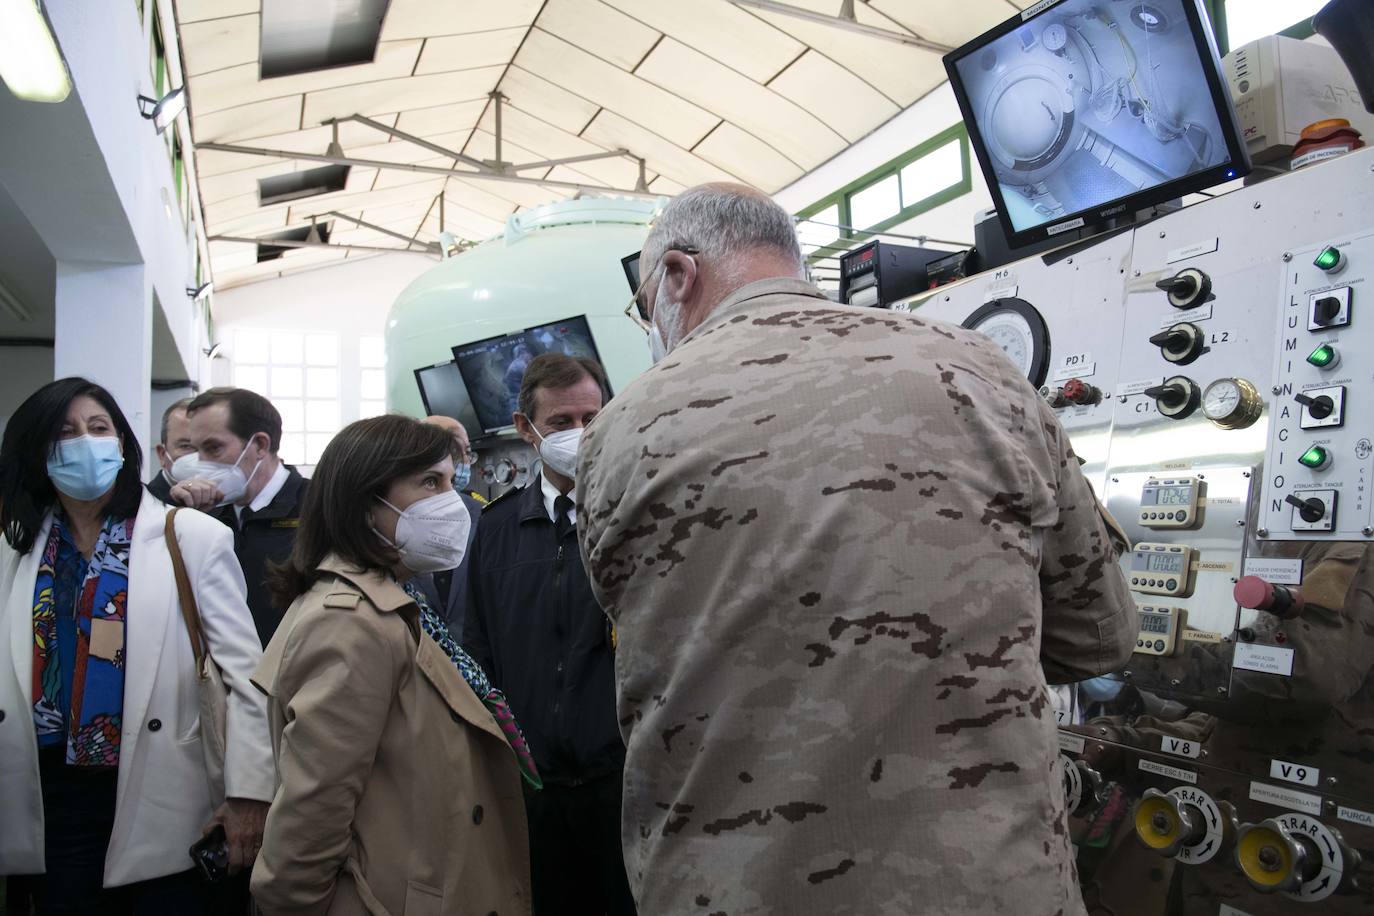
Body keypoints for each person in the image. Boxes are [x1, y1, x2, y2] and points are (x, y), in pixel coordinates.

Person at [575, 183, 1138, 915]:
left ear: (677, 276)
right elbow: (1099, 636)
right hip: (989, 887)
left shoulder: (620, 434)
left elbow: (655, 637)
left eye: (645, 306)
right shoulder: (981, 371)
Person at [0, 378, 274, 913]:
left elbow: (247, 679)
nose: (85, 442)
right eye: (65, 432)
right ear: (36, 452)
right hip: (46, 802)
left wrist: (249, 794)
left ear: (122, 445)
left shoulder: (190, 537)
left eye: (98, 428)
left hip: (164, 797)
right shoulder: (15, 554)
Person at [251, 414, 534, 916]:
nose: (452, 502)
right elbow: (312, 812)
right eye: (429, 482)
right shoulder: (352, 623)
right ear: (364, 504)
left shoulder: (394, 597)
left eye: (449, 480)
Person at [464, 353, 636, 916]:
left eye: (593, 417)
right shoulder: (495, 529)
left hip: (622, 781)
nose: (580, 434)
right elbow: (479, 651)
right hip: (531, 786)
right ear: (526, 429)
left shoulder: (635, 513)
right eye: (562, 422)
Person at [169, 387, 308, 645]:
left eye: (213, 448)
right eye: (195, 450)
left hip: (294, 671)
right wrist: (182, 520)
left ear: (260, 445)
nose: (202, 464)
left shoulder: (315, 505)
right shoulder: (200, 513)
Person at [409, 414, 486, 634]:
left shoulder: (483, 515)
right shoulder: (398, 518)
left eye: (467, 451)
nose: (462, 460)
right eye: (452, 450)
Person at [145, 397, 194, 504]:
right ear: (162, 454)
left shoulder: (225, 501)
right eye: (186, 446)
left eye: (210, 447)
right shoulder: (142, 505)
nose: (200, 456)